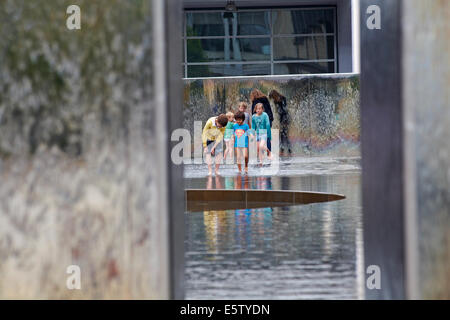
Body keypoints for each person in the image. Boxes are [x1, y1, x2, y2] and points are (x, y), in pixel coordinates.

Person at [269, 89, 292, 155]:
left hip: (285, 118)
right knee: (282, 134)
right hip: (282, 118)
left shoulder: (282, 99)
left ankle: (288, 150)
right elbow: (278, 111)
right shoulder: (275, 101)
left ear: (274, 95)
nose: (272, 99)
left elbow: (284, 110)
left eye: (272, 97)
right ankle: (283, 150)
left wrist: (284, 121)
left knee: (285, 134)